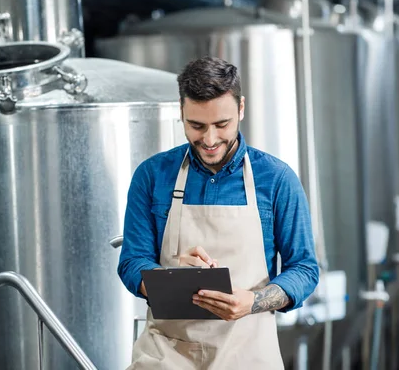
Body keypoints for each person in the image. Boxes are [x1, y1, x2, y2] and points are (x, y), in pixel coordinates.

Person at [117, 56, 320, 369]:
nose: (209, 140)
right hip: (167, 356)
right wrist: (170, 280)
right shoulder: (152, 175)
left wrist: (253, 301)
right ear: (181, 112)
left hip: (248, 354)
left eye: (221, 125)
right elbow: (132, 261)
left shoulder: (277, 179)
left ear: (240, 108)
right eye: (196, 126)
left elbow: (304, 268)